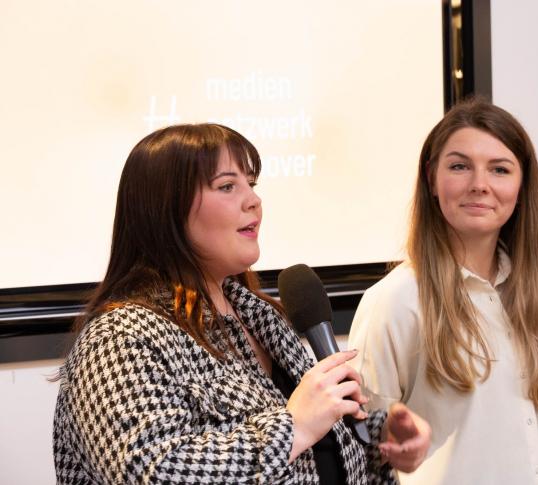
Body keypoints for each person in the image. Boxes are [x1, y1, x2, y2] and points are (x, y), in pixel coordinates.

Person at [52, 123, 430, 484]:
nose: (254, 200)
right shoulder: (120, 338)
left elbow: (308, 454)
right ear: (165, 210)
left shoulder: (260, 318)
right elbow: (149, 471)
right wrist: (293, 427)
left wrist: (379, 436)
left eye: (251, 184)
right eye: (228, 186)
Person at [348, 97, 538, 484]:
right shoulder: (395, 301)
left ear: (522, 186)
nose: (479, 185)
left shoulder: (533, 294)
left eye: (499, 169)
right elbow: (360, 450)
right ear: (432, 178)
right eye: (459, 166)